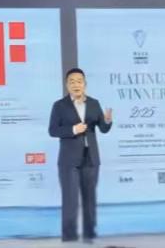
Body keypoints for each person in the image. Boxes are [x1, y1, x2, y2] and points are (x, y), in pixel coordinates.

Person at [48, 67, 112, 242]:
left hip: (90, 157)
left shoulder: (94, 103)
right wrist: (73, 129)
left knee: (90, 199)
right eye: (72, 82)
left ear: (85, 84)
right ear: (67, 85)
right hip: (69, 160)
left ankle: (90, 235)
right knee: (70, 200)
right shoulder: (59, 106)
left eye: (79, 81)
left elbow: (103, 129)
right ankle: (69, 238)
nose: (76, 85)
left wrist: (107, 121)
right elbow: (53, 130)